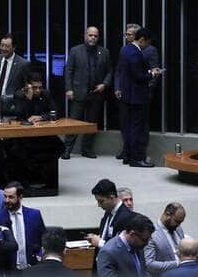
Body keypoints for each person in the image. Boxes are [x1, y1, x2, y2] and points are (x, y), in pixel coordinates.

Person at [114, 27, 163, 167]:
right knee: (137, 128)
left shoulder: (125, 49)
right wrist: (153, 74)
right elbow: (138, 76)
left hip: (127, 95)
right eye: (146, 43)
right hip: (137, 96)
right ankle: (136, 159)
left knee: (128, 127)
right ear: (142, 40)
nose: (147, 46)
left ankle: (128, 155)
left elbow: (127, 72)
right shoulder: (136, 53)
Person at [63, 26, 112, 159]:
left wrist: (104, 84)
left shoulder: (104, 52)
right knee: (73, 123)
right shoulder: (75, 50)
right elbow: (68, 71)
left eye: (95, 36)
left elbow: (109, 71)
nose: (93, 38)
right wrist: (68, 89)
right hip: (78, 93)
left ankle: (87, 149)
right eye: (90, 35)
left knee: (91, 124)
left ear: (98, 37)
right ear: (85, 35)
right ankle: (67, 150)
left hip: (96, 94)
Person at [0, 181, 46, 270]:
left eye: (11, 197)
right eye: (5, 196)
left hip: (32, 268)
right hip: (8, 270)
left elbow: (44, 239)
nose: (6, 200)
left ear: (20, 197)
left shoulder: (34, 215)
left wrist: (39, 255)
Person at [85, 179, 133, 269]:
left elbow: (122, 249)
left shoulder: (126, 217)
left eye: (101, 201)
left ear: (111, 197)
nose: (99, 205)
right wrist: (97, 238)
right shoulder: (108, 212)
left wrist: (100, 242)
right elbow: (109, 236)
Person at [0, 34, 31, 120]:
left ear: (14, 47)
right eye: (2, 45)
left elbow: (27, 87)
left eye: (7, 46)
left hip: (13, 108)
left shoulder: (23, 64)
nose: (4, 48)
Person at [96, 212, 155, 277]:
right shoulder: (107, 252)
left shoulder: (138, 246)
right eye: (144, 240)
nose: (146, 244)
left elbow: (142, 272)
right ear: (132, 234)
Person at [144, 203, 186, 275]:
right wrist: (178, 263)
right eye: (177, 221)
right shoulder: (151, 234)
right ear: (167, 214)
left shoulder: (178, 229)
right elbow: (149, 264)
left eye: (180, 222)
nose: (179, 225)